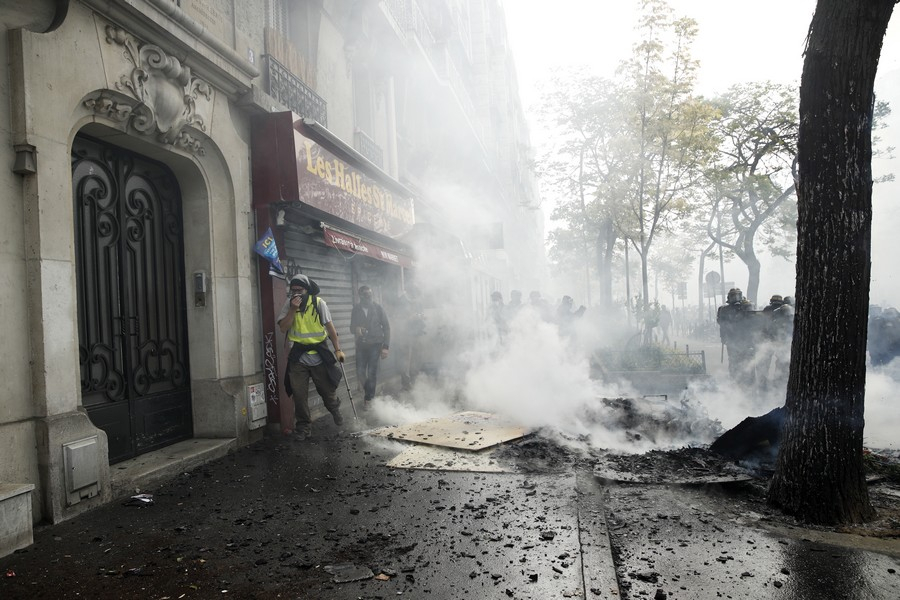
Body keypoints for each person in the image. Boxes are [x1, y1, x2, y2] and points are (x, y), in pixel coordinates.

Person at [277, 274, 345, 440]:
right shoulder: (289, 305)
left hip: (319, 355)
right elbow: (283, 328)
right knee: (299, 395)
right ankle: (303, 427)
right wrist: (292, 310)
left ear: (307, 290)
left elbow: (330, 328)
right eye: (293, 291)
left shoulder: (318, 303)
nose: (296, 294)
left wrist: (337, 350)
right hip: (298, 357)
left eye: (299, 290)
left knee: (327, 392)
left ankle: (334, 409)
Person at [350, 285, 390, 404]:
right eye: (365, 295)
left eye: (370, 295)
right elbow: (351, 328)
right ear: (360, 296)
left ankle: (369, 399)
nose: (368, 297)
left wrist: (386, 347)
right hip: (362, 345)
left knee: (372, 372)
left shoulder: (378, 308)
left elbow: (387, 328)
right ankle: (370, 392)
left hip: (375, 345)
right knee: (360, 371)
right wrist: (356, 329)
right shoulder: (356, 309)